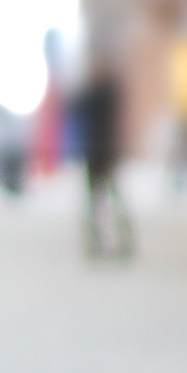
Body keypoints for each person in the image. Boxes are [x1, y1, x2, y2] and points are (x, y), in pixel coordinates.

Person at [75, 65, 131, 258]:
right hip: (103, 150)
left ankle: (101, 241)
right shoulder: (109, 94)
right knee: (108, 198)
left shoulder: (97, 95)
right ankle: (112, 240)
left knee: (100, 199)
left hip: (97, 150)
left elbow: (76, 107)